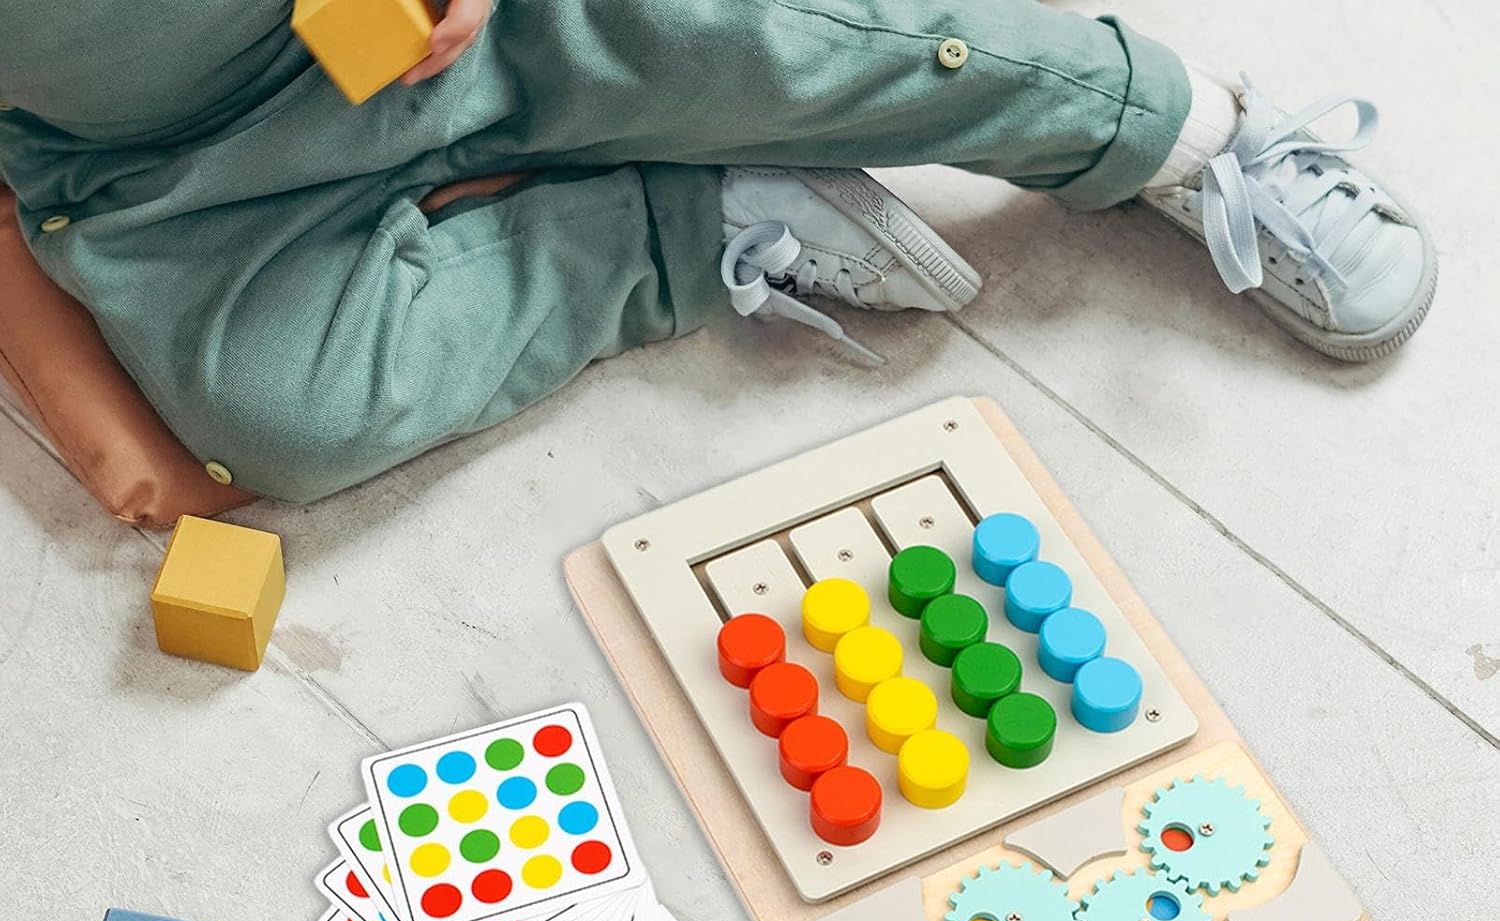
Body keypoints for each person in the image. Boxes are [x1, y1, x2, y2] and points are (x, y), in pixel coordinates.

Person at [0, 0, 1434, 506]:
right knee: (284, 414)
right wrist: (107, 426)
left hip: (468, 19)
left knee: (741, 33)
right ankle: (695, 220)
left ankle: (1169, 128)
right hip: (170, 167)